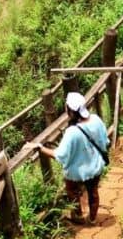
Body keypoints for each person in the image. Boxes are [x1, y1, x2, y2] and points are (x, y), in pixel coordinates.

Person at [32, 92, 109, 224]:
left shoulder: (72, 132)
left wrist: (41, 148)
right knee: (93, 192)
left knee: (72, 192)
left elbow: (60, 155)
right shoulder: (96, 119)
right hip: (95, 167)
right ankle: (93, 218)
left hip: (76, 172)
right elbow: (105, 141)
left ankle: (78, 216)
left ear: (71, 111)